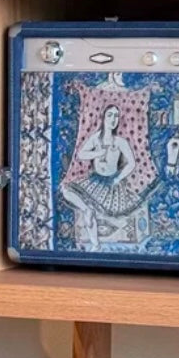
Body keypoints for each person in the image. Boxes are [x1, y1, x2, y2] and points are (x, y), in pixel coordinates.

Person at [61, 104, 139, 250]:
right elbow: (81, 154)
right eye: (110, 115)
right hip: (96, 179)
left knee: (110, 212)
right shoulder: (96, 138)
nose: (113, 119)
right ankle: (89, 220)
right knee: (66, 191)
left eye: (116, 116)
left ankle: (96, 241)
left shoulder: (121, 141)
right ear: (103, 118)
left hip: (112, 183)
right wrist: (97, 153)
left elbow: (132, 163)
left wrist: (118, 178)